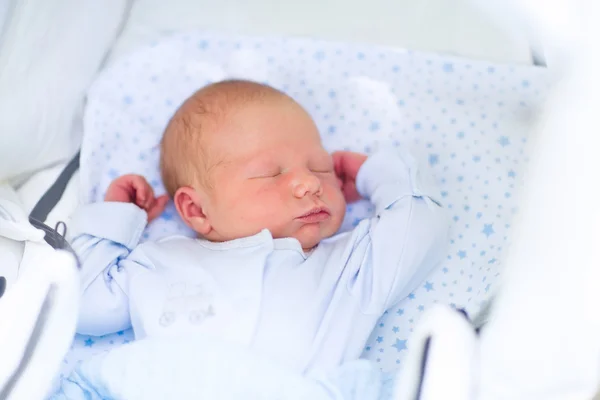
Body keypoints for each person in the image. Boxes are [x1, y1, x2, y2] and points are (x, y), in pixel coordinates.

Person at [69, 79, 448, 375]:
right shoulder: (159, 262)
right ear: (197, 209)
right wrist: (115, 220)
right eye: (272, 173)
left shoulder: (349, 266)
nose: (310, 183)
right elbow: (82, 304)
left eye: (320, 167)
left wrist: (375, 175)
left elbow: (421, 227)